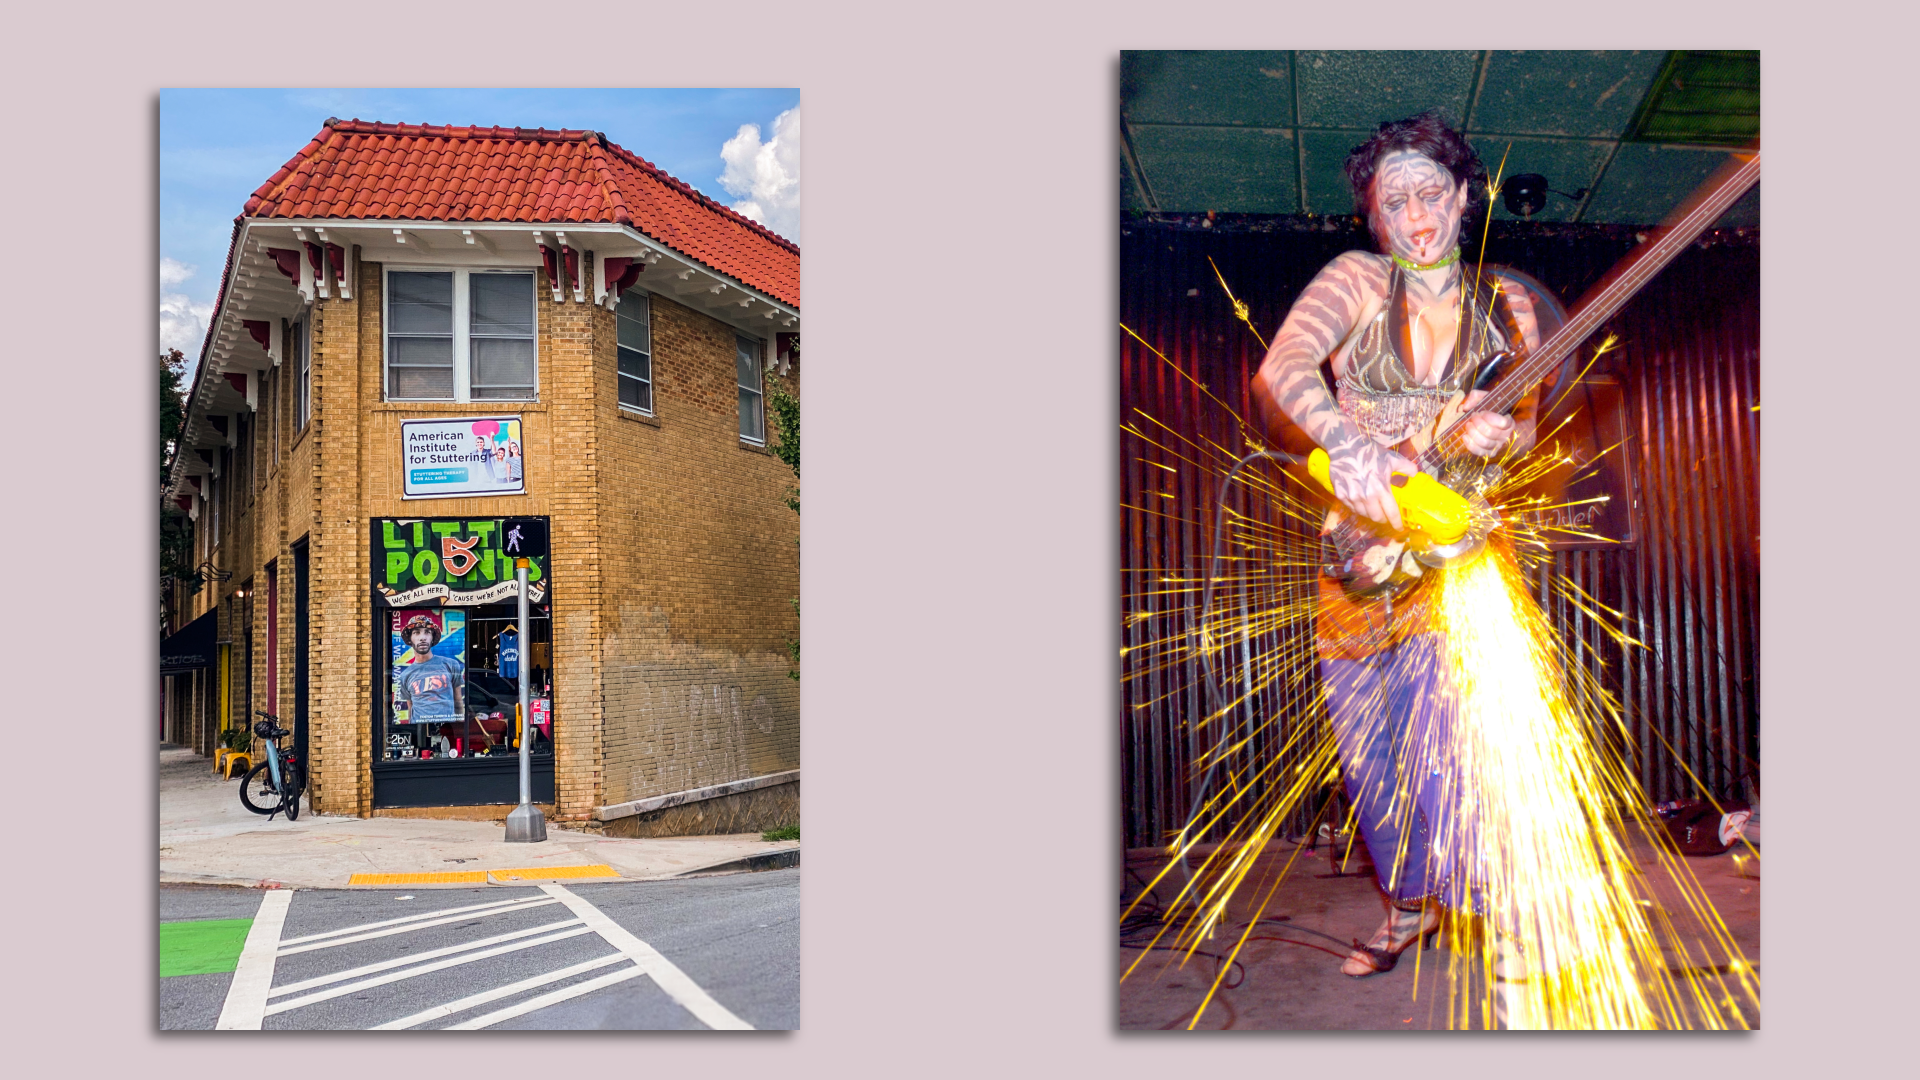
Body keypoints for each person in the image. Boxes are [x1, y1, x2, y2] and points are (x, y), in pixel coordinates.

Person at [1250, 110, 1544, 978]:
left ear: (1463, 196)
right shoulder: (1355, 279)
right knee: (1370, 760)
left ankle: (1503, 910)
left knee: (1454, 742)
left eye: (1430, 193)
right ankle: (1409, 904)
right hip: (1355, 560)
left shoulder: (1511, 303)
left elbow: (1526, 429)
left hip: (1455, 560)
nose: (1415, 216)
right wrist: (1346, 445)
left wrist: (1503, 438)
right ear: (1375, 217)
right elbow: (1285, 366)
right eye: (1394, 201)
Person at [394, 613, 465, 727]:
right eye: (416, 632)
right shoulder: (405, 675)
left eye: (427, 632)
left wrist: (461, 727)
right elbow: (410, 707)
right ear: (410, 639)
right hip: (420, 729)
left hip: (448, 727)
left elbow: (458, 700)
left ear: (432, 638)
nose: (422, 637)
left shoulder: (450, 664)